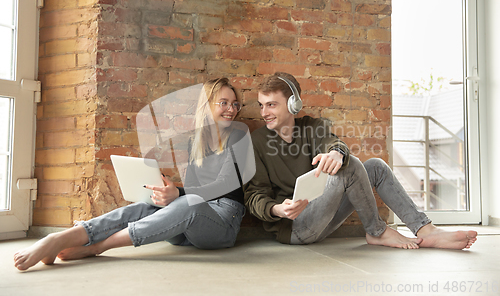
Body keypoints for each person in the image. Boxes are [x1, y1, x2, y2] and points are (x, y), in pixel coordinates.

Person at [14, 78, 252, 271]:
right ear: (207, 105)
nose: (231, 109)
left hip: (222, 223)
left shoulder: (240, 136)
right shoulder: (195, 142)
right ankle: (62, 238)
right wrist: (166, 191)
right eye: (224, 102)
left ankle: (97, 247)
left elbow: (224, 185)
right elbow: (193, 188)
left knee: (188, 202)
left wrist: (179, 192)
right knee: (144, 206)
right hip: (186, 226)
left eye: (234, 104)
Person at [243, 72, 477, 250]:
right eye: (262, 105)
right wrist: (278, 209)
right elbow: (254, 196)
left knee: (374, 165)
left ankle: (426, 229)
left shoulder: (312, 127)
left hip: (324, 217)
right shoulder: (256, 142)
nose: (264, 113)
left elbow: (332, 142)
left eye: (271, 104)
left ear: (293, 104)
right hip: (295, 228)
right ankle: (376, 231)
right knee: (353, 165)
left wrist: (336, 153)